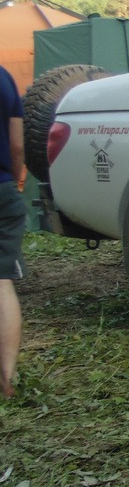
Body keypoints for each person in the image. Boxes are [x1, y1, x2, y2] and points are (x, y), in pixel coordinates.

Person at [0, 64, 25, 399]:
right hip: (3, 188)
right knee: (2, 282)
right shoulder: (4, 77)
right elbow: (17, 145)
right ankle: (6, 380)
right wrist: (13, 182)